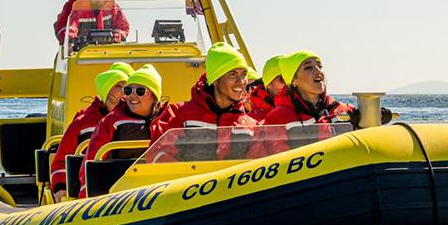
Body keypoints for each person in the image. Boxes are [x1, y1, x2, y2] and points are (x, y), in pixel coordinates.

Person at [258, 50, 390, 155]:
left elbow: (363, 141)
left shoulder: (341, 111)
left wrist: (374, 117)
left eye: (319, 66)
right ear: (294, 80)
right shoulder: (278, 117)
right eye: (309, 68)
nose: (318, 71)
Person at [79, 64, 173, 197]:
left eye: (140, 91)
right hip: (119, 193)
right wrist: (86, 198)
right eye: (128, 90)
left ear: (154, 96)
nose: (132, 96)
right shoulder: (111, 121)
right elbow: (91, 161)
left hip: (161, 190)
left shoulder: (170, 118)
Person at [153, 42, 258, 160]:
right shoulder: (178, 114)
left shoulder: (251, 125)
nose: (241, 81)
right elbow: (158, 154)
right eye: (232, 75)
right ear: (215, 80)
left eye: (244, 74)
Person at [49, 62, 133, 201]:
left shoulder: (139, 122)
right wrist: (61, 187)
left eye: (127, 88)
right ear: (106, 88)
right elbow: (60, 162)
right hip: (90, 196)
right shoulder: (82, 123)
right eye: (118, 86)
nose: (122, 94)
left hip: (129, 191)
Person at [245, 54, 285, 122]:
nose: (288, 84)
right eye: (283, 79)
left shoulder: (301, 106)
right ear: (269, 83)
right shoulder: (251, 119)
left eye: (291, 79)